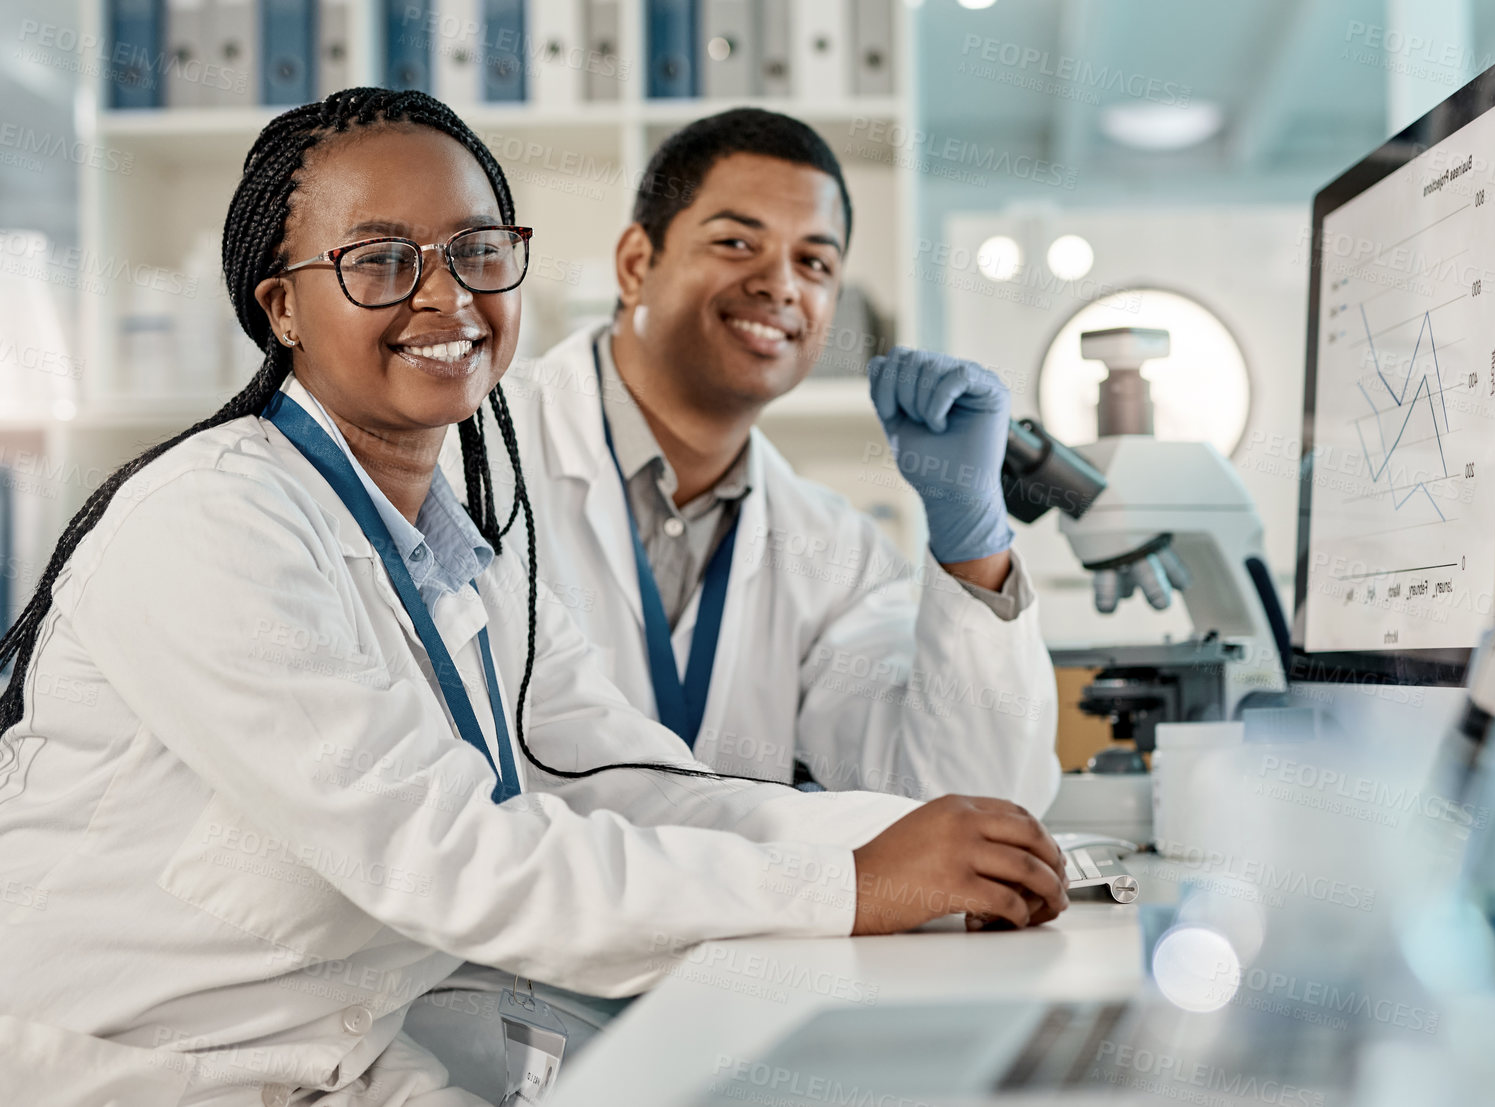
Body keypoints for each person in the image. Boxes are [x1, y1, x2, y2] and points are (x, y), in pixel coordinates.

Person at [0, 89, 1067, 1107]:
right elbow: (450, 856)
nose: (446, 294)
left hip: (329, 1061)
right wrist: (851, 885)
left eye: (477, 251)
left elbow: (617, 779)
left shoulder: (464, 543)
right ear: (280, 305)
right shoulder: (213, 523)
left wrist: (921, 844)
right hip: (116, 1076)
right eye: (380, 259)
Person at [473, 108, 1061, 813]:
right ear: (636, 264)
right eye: (735, 242)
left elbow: (966, 805)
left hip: (736, 924)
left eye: (814, 262)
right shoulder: (475, 447)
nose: (780, 284)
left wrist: (974, 543)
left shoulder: (835, 554)